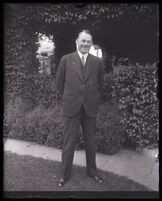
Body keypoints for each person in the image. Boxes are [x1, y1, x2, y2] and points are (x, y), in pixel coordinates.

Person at [56, 30, 105, 187]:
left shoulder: (97, 62)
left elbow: (100, 84)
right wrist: (70, 97)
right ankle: (65, 175)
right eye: (83, 41)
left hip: (90, 107)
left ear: (91, 44)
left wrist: (93, 99)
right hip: (72, 107)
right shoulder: (66, 59)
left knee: (91, 142)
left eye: (88, 42)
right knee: (69, 142)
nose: (85, 44)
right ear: (77, 42)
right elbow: (59, 84)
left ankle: (92, 171)